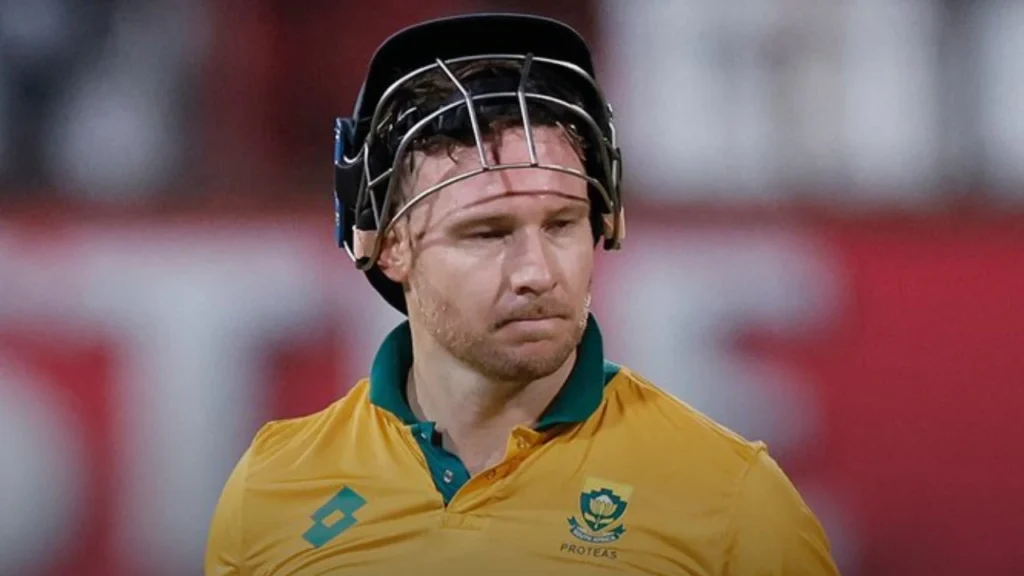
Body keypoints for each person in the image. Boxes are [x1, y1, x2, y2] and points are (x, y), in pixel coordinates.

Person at [205, 13, 840, 576]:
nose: (536, 271)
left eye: (562, 224)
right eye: (488, 233)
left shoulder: (731, 498)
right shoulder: (274, 487)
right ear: (390, 245)